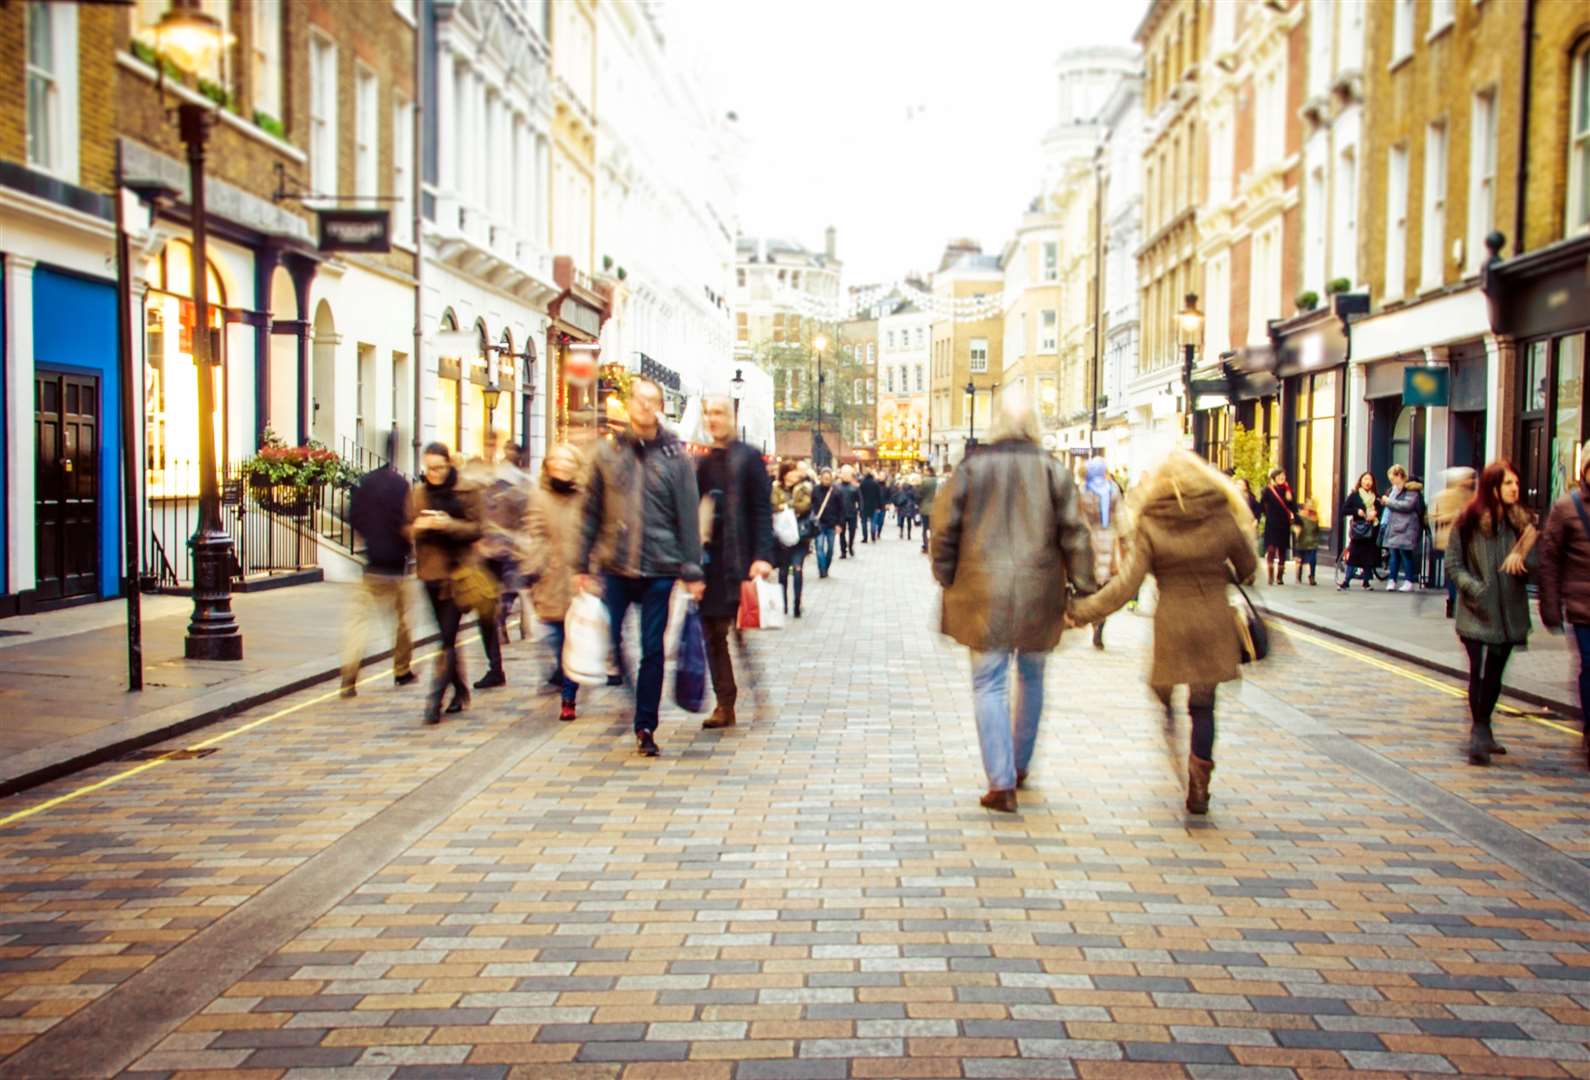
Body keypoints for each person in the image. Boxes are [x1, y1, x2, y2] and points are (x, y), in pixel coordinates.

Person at [1068, 450, 1259, 814]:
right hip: (1215, 619)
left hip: (1173, 620)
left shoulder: (1152, 522)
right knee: (1204, 706)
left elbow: (1125, 586)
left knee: (1164, 684)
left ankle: (1169, 716)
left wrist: (1081, 612)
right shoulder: (1221, 515)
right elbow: (1248, 567)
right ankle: (1200, 782)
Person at [931, 392, 1096, 814]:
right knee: (1033, 675)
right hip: (1040, 591)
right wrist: (1083, 588)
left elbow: (944, 528)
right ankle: (1019, 766)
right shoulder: (1053, 471)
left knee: (989, 681)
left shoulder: (971, 469)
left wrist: (946, 575)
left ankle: (1000, 782)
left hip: (982, 591)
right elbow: (1075, 534)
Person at [573, 376, 704, 758]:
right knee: (609, 641)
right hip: (615, 564)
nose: (644, 407)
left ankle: (645, 724)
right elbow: (590, 511)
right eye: (639, 401)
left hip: (661, 568)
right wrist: (581, 563)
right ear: (629, 406)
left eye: (652, 401)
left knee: (652, 649)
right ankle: (632, 697)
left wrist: (692, 569)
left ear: (660, 407)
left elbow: (688, 516)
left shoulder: (676, 457)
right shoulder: (607, 452)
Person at [694, 397, 776, 729]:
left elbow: (761, 509)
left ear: (732, 417)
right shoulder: (702, 463)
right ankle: (725, 703)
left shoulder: (750, 457)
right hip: (711, 564)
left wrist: (763, 556)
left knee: (742, 632)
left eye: (719, 413)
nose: (713, 419)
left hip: (741, 559)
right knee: (713, 634)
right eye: (708, 413)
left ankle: (757, 692)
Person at [1447, 461, 1535, 766]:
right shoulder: (1468, 520)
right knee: (1478, 672)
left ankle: (1483, 729)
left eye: (1516, 483)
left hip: (1509, 613)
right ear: (1492, 486)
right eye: (1507, 483)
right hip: (1477, 611)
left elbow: (1536, 568)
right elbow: (1454, 565)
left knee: (1495, 674)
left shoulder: (1523, 523)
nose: (1514, 488)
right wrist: (1475, 588)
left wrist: (1523, 558)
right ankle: (1479, 730)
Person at [410, 442, 485, 725]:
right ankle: (461, 690)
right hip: (430, 575)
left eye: (440, 468)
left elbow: (478, 528)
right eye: (430, 469)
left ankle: (433, 701)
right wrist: (418, 528)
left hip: (458, 576)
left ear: (449, 465)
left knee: (446, 638)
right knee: (447, 637)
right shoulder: (418, 493)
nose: (435, 474)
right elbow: (405, 527)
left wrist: (448, 524)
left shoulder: (466, 490)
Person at [340, 430, 417, 697]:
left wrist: (369, 538)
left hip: (371, 565)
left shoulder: (366, 482)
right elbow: (408, 522)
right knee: (402, 622)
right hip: (396, 566)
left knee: (359, 625)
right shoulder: (401, 485)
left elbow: (353, 516)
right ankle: (402, 670)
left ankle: (349, 675)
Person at [1537, 440, 1590, 770]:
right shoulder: (1566, 507)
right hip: (1584, 608)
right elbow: (1550, 560)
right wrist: (1551, 607)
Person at [523, 443, 584, 722]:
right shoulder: (539, 497)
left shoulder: (585, 497)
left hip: (578, 580)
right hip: (549, 578)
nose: (562, 467)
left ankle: (568, 698)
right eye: (557, 462)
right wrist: (534, 567)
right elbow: (534, 533)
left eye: (568, 462)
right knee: (556, 638)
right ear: (548, 466)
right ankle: (563, 675)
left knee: (574, 641)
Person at [469, 434, 528, 688]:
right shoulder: (476, 475)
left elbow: (526, 517)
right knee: (486, 614)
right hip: (484, 557)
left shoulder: (517, 481)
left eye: (497, 445)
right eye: (489, 444)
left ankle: (558, 669)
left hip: (509, 557)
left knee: (509, 605)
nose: (492, 449)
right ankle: (495, 667)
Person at [1078, 457, 1126, 650]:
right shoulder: (1112, 489)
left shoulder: (1083, 490)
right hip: (1109, 540)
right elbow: (1122, 518)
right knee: (1106, 586)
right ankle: (1101, 623)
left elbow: (1076, 517)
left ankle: (1094, 621)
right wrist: (1125, 541)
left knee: (1092, 586)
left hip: (1088, 542)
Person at [1432, 467, 1476, 618]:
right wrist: (1457, 515)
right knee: (1454, 572)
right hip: (1450, 539)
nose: (1470, 481)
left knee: (1464, 570)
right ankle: (1453, 603)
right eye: (1468, 478)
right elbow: (1435, 516)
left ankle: (1460, 603)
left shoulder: (1471, 495)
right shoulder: (1445, 496)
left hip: (1468, 538)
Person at [772, 463, 814, 617]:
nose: (796, 473)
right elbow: (773, 506)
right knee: (783, 571)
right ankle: (782, 603)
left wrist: (787, 506)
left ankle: (797, 603)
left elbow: (806, 506)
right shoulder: (776, 488)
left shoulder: (804, 488)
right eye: (793, 471)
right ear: (786, 473)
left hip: (800, 535)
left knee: (797, 569)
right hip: (782, 535)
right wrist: (788, 508)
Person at [1381, 465, 1425, 591]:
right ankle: (1392, 580)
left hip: (1407, 527)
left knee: (1405, 553)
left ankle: (1408, 580)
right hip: (1394, 526)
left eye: (1393, 478)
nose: (1392, 481)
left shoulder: (1411, 489)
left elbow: (1407, 505)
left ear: (1400, 475)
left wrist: (1388, 501)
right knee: (1393, 554)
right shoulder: (1393, 490)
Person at [1339, 472, 1381, 590]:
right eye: (1365, 479)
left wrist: (1376, 513)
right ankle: (1346, 580)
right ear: (1361, 481)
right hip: (1359, 530)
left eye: (1370, 480)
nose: (1367, 482)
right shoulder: (1355, 495)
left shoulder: (1376, 496)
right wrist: (1357, 511)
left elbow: (1381, 510)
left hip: (1371, 530)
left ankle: (1366, 582)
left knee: (1369, 556)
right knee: (1353, 555)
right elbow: (1344, 510)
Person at [1259, 468, 1296, 586]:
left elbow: (1293, 508)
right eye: (1279, 477)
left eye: (1283, 477)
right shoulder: (1268, 490)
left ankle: (1279, 577)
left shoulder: (1288, 491)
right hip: (1272, 524)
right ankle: (1270, 576)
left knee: (1282, 551)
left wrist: (1290, 499)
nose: (1282, 478)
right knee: (1271, 550)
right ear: (1274, 478)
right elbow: (1262, 505)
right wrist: (1266, 515)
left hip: (1284, 524)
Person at [813, 468, 843, 576]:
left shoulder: (836, 491)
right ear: (820, 478)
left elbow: (841, 509)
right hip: (819, 524)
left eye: (828, 479)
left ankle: (826, 566)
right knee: (819, 547)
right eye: (824, 478)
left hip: (832, 524)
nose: (826, 480)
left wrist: (839, 524)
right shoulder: (815, 490)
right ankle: (822, 569)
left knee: (830, 549)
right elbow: (812, 505)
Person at [1292, 499, 1322, 586]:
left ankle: (1312, 576)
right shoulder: (1300, 516)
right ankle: (1299, 576)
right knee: (1300, 560)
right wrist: (1296, 530)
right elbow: (1294, 526)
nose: (1310, 507)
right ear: (1305, 506)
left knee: (1312, 560)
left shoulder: (1315, 517)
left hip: (1312, 542)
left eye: (1312, 505)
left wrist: (1317, 538)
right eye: (1309, 505)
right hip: (1301, 541)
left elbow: (1317, 529)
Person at [836, 465, 861, 558]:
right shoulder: (836, 487)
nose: (846, 475)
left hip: (852, 513)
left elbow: (860, 500)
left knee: (852, 531)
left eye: (848, 474)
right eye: (844, 473)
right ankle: (843, 550)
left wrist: (859, 511)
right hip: (840, 514)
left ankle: (850, 545)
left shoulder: (854, 488)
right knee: (841, 533)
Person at [916, 465, 939, 554]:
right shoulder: (939, 481)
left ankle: (926, 545)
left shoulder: (925, 481)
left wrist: (918, 503)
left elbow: (919, 494)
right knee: (934, 528)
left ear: (929, 471)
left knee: (925, 528)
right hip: (937, 508)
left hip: (925, 508)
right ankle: (934, 545)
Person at [860, 468, 884, 544]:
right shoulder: (875, 483)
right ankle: (873, 536)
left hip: (864, 505)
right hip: (874, 505)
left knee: (864, 522)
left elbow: (860, 495)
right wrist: (880, 506)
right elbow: (878, 495)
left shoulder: (862, 483)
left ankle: (865, 538)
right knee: (873, 522)